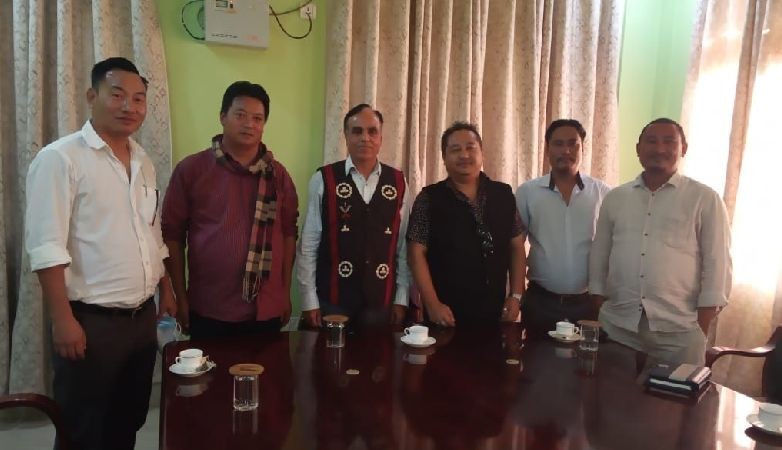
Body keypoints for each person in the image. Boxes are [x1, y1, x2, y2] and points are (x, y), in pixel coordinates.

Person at [25, 57, 175, 450]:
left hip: (141, 319)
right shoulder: (61, 159)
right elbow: (46, 246)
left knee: (127, 420)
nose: (130, 107)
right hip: (91, 322)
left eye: (139, 99)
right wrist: (63, 320)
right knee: (82, 427)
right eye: (118, 95)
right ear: (93, 96)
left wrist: (167, 289)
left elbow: (152, 232)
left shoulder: (143, 161)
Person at [589, 118, 732, 365]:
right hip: (618, 326)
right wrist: (602, 305)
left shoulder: (705, 199)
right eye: (651, 141)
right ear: (638, 149)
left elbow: (717, 264)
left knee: (673, 403)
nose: (659, 149)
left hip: (679, 332)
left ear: (683, 148)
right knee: (613, 400)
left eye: (669, 141)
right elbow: (599, 256)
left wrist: (701, 325)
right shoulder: (616, 198)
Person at [162, 81, 299, 338]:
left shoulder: (278, 176)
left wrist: (284, 292)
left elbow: (289, 233)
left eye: (257, 118)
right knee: (211, 378)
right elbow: (172, 236)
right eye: (241, 115)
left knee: (266, 377)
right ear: (223, 117)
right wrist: (180, 295)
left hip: (266, 308)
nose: (249, 124)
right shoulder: (191, 170)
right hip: (210, 307)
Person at [296, 104, 411, 328]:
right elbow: (308, 245)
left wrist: (401, 297)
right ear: (346, 135)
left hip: (381, 301)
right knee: (329, 361)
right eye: (357, 131)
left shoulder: (398, 182)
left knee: (379, 361)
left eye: (372, 131)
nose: (365, 138)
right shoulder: (324, 179)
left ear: (381, 137)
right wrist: (309, 300)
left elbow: (403, 245)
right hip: (333, 300)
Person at [407, 121, 527, 326]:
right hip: (446, 314)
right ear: (444, 158)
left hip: (495, 312)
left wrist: (516, 296)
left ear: (482, 153)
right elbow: (415, 253)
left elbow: (517, 247)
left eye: (470, 148)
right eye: (455, 149)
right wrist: (432, 303)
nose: (464, 155)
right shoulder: (429, 198)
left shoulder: (503, 194)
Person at [515, 119, 611, 335]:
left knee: (586, 366)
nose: (565, 150)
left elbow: (612, 248)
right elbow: (516, 247)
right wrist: (518, 294)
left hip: (589, 304)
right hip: (541, 302)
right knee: (535, 364)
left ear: (582, 148)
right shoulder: (528, 193)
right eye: (558, 144)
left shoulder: (603, 193)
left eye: (573, 144)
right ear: (547, 148)